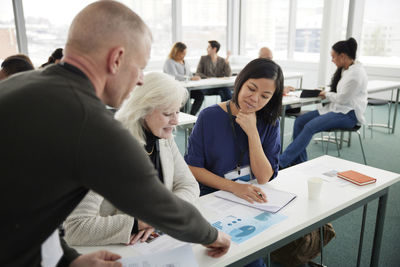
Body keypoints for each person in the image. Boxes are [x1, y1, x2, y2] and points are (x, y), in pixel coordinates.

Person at [0, 1, 230, 266]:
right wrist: (213, 236)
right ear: (117, 58)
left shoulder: (17, 87)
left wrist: (70, 261)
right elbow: (160, 208)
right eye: (140, 67)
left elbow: (31, 210)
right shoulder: (91, 124)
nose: (141, 79)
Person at [64, 72, 200, 246]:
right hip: (109, 249)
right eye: (167, 113)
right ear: (143, 111)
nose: (175, 121)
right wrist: (141, 222)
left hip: (149, 242)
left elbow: (189, 185)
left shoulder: (163, 137)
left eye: (177, 111)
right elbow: (75, 228)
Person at [185, 58, 283, 267]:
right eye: (251, 88)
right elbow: (193, 168)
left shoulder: (270, 122)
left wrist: (253, 133)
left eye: (265, 96)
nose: (255, 99)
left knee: (254, 253)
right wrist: (234, 187)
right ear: (240, 81)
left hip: (253, 198)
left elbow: (264, 176)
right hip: (213, 197)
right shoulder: (209, 117)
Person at [279, 37, 367, 168]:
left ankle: (281, 162)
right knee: (300, 121)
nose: (332, 60)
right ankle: (300, 162)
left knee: (310, 127)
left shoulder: (355, 75)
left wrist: (326, 94)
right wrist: (325, 91)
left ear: (342, 56)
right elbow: (340, 91)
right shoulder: (346, 69)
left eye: (333, 57)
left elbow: (342, 98)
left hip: (348, 114)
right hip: (336, 109)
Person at [163, 42, 204, 115]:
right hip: (175, 89)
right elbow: (174, 76)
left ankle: (192, 115)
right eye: (182, 53)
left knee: (199, 95)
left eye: (185, 53)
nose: (183, 56)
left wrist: (193, 77)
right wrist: (190, 78)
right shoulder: (169, 62)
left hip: (186, 88)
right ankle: (183, 116)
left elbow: (190, 74)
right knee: (184, 98)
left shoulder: (185, 62)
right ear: (176, 52)